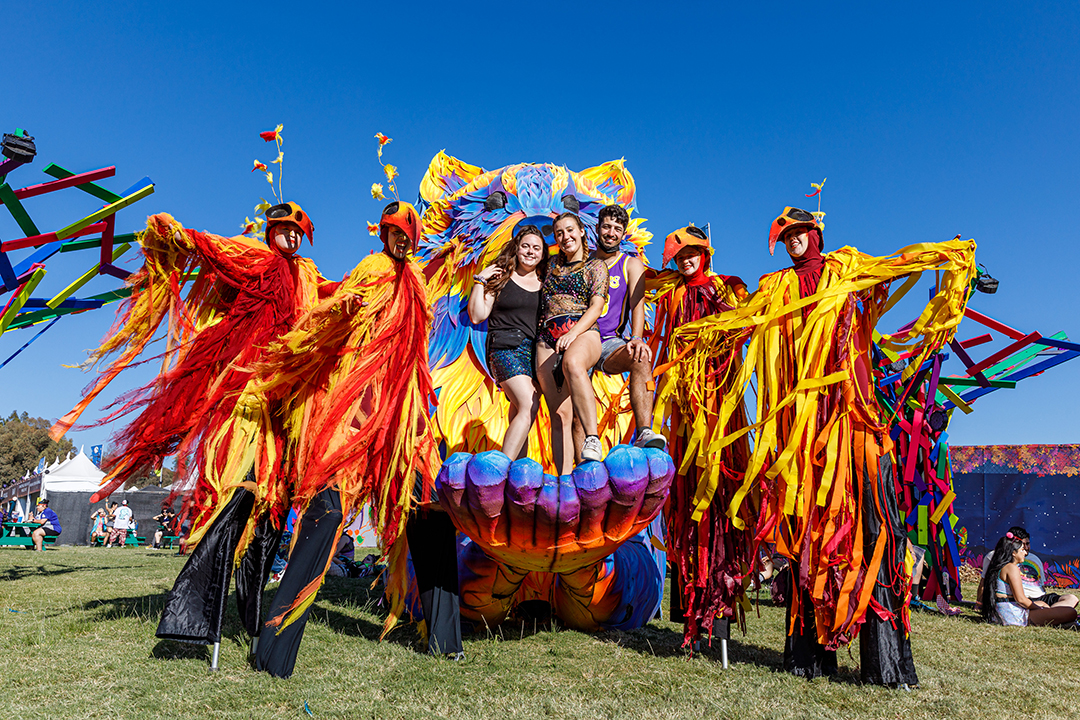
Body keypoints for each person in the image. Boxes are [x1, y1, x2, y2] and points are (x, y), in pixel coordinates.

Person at [663, 207, 978, 685]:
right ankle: (808, 656)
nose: (793, 241)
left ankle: (885, 663)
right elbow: (741, 323)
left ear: (816, 234)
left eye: (799, 234)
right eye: (785, 236)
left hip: (851, 424)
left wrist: (950, 257)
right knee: (806, 536)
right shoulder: (775, 287)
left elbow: (896, 265)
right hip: (798, 439)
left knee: (872, 532)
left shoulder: (845, 269)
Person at [251, 200, 451, 677]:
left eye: (407, 235)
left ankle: (447, 640)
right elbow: (335, 309)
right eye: (393, 233)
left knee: (429, 503)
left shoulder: (418, 280)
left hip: (403, 413)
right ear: (383, 234)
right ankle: (273, 649)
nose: (400, 242)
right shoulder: (373, 266)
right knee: (329, 509)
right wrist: (343, 307)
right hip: (356, 406)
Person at [647, 225, 752, 648]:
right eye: (680, 255)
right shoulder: (671, 293)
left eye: (693, 252)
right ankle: (692, 604)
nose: (686, 260)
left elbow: (746, 327)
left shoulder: (728, 288)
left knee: (720, 490)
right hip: (685, 407)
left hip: (721, 405)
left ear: (705, 253)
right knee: (690, 497)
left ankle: (721, 602)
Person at [573, 204, 664, 451]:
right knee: (576, 410)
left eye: (617, 228)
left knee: (641, 357)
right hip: (578, 340)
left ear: (623, 234)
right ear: (597, 229)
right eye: (607, 226)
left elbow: (637, 303)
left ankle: (644, 431)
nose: (611, 232)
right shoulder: (581, 261)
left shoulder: (631, 265)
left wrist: (636, 337)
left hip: (608, 342)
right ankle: (581, 470)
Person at [535, 212, 609, 472]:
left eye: (570, 230)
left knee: (574, 363)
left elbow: (597, 305)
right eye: (559, 233)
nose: (565, 237)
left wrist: (573, 333)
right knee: (560, 416)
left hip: (583, 331)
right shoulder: (550, 264)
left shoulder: (596, 266)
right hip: (547, 340)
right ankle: (564, 480)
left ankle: (592, 437)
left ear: (581, 232)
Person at [467, 224, 547, 459]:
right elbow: (477, 315)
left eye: (536, 248)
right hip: (505, 348)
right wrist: (480, 280)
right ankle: (500, 470)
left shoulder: (546, 284)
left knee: (519, 412)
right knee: (528, 404)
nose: (530, 252)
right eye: (525, 246)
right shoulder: (502, 278)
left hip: (533, 355)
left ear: (543, 254)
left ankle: (517, 474)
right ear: (517, 248)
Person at [980, 532, 1078, 627]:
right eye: (1022, 549)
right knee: (1071, 612)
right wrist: (1039, 609)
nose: (1025, 552)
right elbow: (1021, 599)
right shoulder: (1011, 568)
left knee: (1045, 605)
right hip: (1013, 616)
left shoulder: (999, 566)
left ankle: (1061, 624)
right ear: (1014, 552)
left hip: (1001, 613)